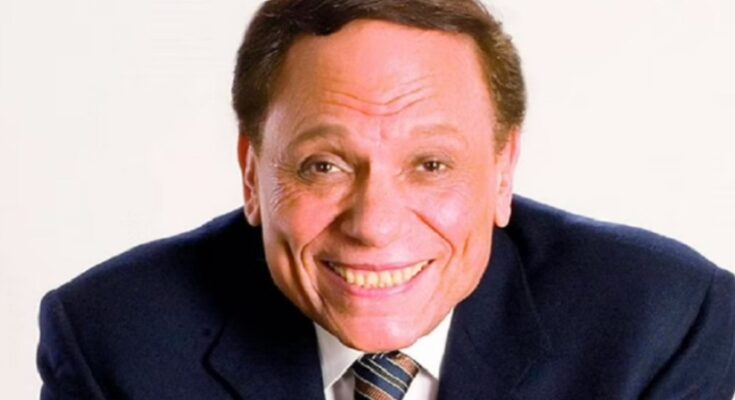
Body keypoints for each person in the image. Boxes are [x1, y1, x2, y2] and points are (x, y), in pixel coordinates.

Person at [37, 0, 735, 399]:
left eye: (430, 165)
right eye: (323, 166)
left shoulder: (664, 324)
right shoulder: (113, 342)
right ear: (251, 174)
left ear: (502, 172)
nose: (374, 224)